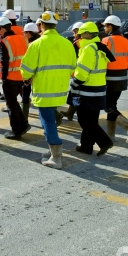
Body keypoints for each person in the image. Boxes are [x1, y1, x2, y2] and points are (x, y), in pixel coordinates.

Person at [21, 11, 76, 169]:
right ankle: (52, 151)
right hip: (60, 90)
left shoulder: (36, 44)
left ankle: (56, 156)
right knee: (50, 119)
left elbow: (26, 70)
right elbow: (73, 67)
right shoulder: (66, 43)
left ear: (42, 25)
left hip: (44, 91)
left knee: (48, 123)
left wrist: (27, 77)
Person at [68, 21, 115, 156]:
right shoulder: (100, 47)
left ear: (88, 34)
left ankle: (105, 141)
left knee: (84, 120)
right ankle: (86, 146)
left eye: (81, 35)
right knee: (91, 120)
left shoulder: (88, 49)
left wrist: (74, 84)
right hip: (98, 89)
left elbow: (82, 72)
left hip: (87, 90)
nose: (79, 37)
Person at [101, 15, 128, 144]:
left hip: (109, 79)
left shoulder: (106, 41)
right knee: (112, 105)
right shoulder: (126, 41)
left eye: (105, 26)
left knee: (107, 106)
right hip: (122, 79)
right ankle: (111, 136)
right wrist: (120, 70)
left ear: (110, 26)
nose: (104, 28)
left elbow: (101, 62)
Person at [0, 16, 30, 139]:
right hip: (22, 76)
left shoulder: (4, 41)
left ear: (2, 28)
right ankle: (24, 124)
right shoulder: (23, 39)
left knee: (11, 105)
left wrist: (3, 78)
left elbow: (3, 62)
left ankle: (16, 131)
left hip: (10, 78)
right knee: (14, 103)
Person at [61, 21, 83, 121]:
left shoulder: (77, 43)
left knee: (75, 94)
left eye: (75, 31)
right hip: (84, 73)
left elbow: (71, 58)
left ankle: (73, 114)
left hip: (77, 73)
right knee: (75, 93)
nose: (73, 33)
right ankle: (70, 113)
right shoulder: (90, 42)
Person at [20, 22, 40, 121]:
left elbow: (29, 61)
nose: (24, 35)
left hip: (31, 74)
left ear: (29, 33)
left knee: (25, 94)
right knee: (40, 96)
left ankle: (24, 119)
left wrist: (27, 76)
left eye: (25, 33)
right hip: (39, 73)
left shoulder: (31, 44)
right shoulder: (40, 41)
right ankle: (57, 116)